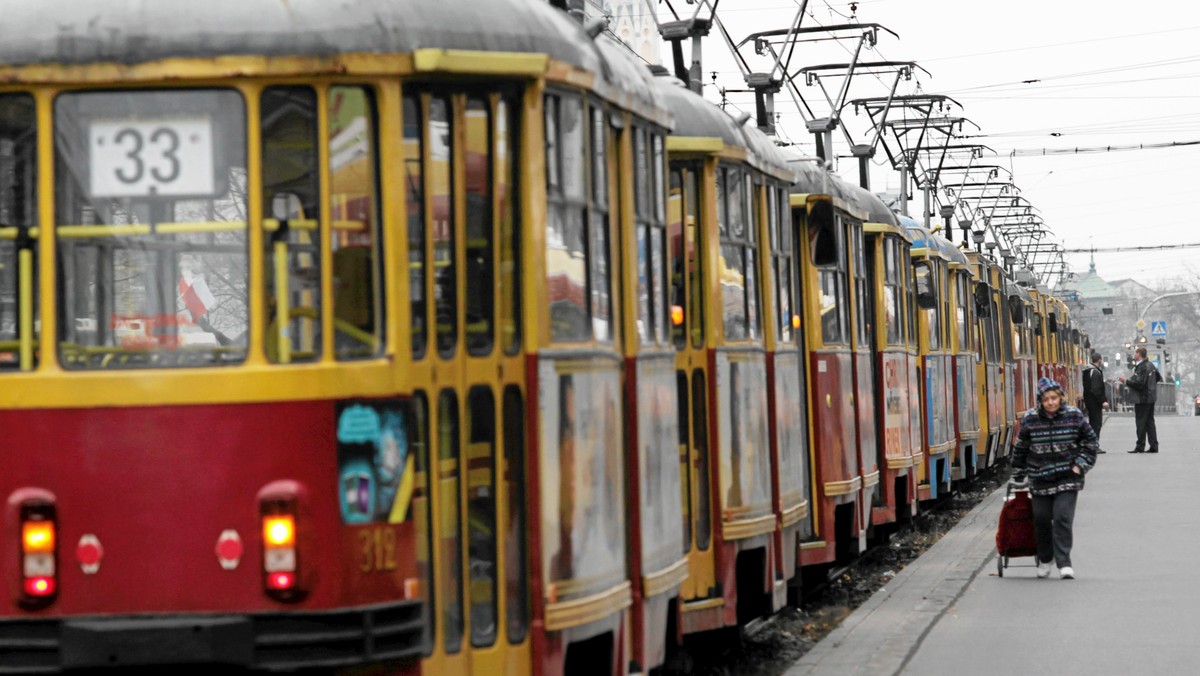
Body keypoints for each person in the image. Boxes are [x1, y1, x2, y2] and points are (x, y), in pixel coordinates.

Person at [1011, 377, 1099, 580]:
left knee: (1062, 517)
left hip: (1068, 477)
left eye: (1054, 398)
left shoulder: (1074, 416)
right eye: (1046, 399)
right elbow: (1021, 448)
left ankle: (1064, 563)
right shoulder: (1030, 419)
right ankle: (1045, 558)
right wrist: (1018, 471)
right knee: (1041, 519)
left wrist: (1080, 465)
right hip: (1040, 478)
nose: (1050, 403)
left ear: (1060, 398)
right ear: (1040, 401)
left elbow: (1090, 443)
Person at [1120, 346, 1162, 453]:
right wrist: (1150, 387)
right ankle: (1154, 446)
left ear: (1139, 354)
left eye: (1135, 353)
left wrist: (1126, 381)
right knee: (1149, 422)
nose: (1134, 355)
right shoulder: (1151, 365)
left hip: (1142, 398)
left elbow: (1140, 384)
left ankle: (1140, 446)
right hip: (1150, 398)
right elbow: (1158, 377)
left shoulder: (1142, 367)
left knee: (1140, 422)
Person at [1081, 352, 1108, 448]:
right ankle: (1094, 445)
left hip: (1089, 401)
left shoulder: (1088, 370)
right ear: (1099, 360)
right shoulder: (1095, 372)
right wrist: (1102, 400)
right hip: (1094, 402)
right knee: (1096, 424)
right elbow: (1096, 389)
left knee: (1093, 423)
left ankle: (1092, 444)